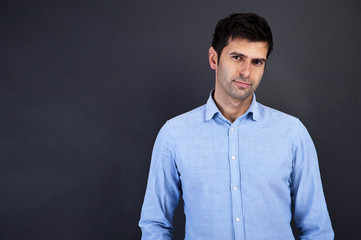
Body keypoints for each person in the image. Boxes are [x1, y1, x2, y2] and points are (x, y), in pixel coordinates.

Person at [139, 13, 334, 240]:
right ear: (214, 59)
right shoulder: (174, 135)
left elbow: (316, 228)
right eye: (237, 57)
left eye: (257, 62)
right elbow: (155, 224)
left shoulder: (292, 133)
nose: (246, 72)